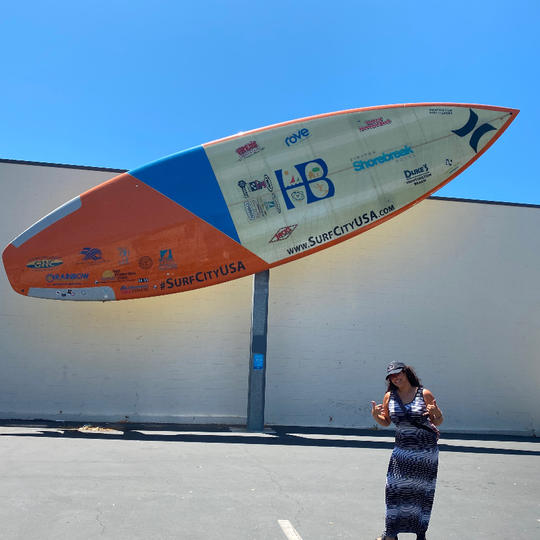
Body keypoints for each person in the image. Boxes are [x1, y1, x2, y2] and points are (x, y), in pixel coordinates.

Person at [370, 362, 443, 540]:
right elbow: (386, 421)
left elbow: (438, 421)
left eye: (398, 373)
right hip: (401, 452)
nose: (395, 377)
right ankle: (391, 533)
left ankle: (420, 533)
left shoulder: (424, 394)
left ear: (406, 373)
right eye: (391, 376)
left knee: (421, 492)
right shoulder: (389, 396)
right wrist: (376, 416)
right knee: (394, 490)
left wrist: (436, 412)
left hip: (425, 453)